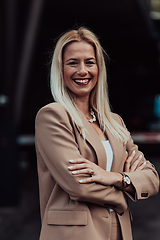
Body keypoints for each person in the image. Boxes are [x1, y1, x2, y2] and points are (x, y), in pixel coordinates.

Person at [35, 27, 159, 240]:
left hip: (119, 232)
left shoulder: (114, 121)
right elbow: (79, 186)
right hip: (74, 234)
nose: (82, 71)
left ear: (99, 68)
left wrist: (115, 177)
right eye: (72, 63)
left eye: (89, 62)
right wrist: (126, 190)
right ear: (60, 69)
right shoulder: (53, 116)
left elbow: (152, 178)